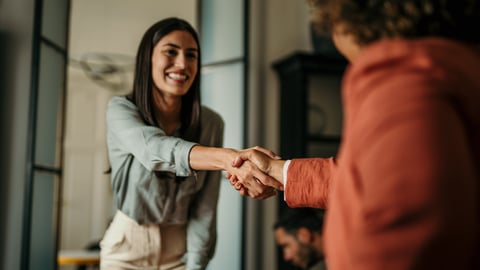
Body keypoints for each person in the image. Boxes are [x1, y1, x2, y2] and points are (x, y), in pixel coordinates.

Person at [229, 1, 480, 269]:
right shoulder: (458, 64)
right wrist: (277, 171)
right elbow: (373, 180)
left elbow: (396, 234)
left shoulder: (402, 75)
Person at [100, 17, 280, 270]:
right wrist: (231, 159)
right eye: (171, 52)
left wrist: (196, 263)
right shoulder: (121, 110)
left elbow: (205, 208)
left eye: (191, 55)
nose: (182, 63)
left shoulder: (211, 123)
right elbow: (153, 150)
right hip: (126, 246)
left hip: (179, 249)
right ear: (147, 58)